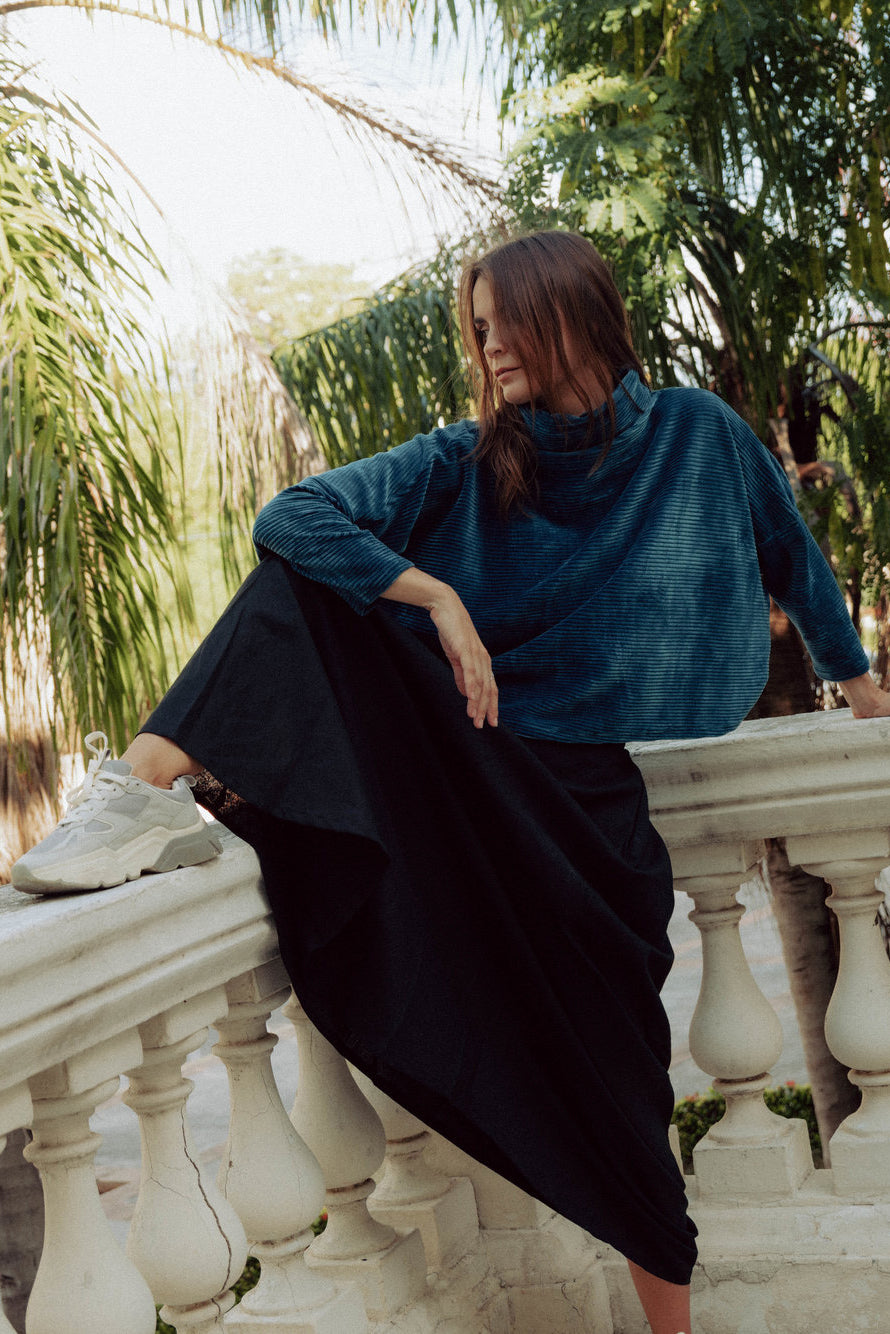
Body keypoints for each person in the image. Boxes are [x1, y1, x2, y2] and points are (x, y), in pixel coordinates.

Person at [12, 230, 890, 1334]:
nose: (485, 346)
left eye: (499, 320)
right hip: (465, 758)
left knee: (621, 1084)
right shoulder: (466, 458)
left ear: (566, 310)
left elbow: (791, 562)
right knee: (305, 590)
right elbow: (290, 517)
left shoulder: (695, 438)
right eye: (472, 327)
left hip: (584, 812)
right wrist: (432, 595)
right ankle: (137, 789)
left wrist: (863, 698)